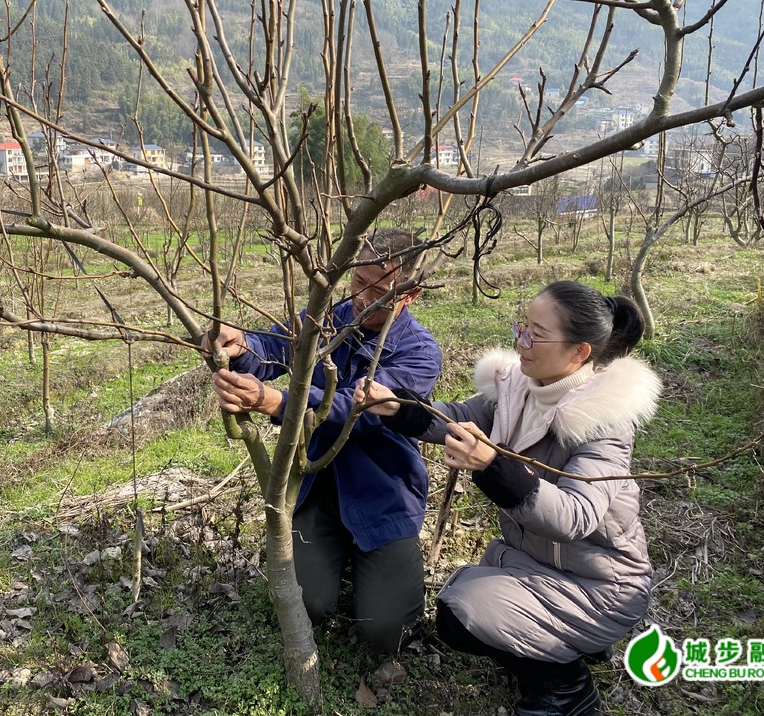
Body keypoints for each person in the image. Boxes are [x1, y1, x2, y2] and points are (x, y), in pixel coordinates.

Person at [354, 280, 661, 715]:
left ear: (579, 353)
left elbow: (576, 516)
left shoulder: (604, 421)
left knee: (461, 616)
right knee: (460, 608)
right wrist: (398, 406)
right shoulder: (520, 387)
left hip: (600, 585)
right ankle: (561, 645)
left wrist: (492, 465)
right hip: (536, 563)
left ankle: (566, 689)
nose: (522, 341)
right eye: (523, 326)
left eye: (537, 334)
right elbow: (457, 418)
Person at [203, 229, 443, 656]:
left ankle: (372, 565)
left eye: (379, 288)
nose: (362, 296)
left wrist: (277, 402)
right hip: (315, 488)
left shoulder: (419, 352)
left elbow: (356, 409)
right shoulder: (325, 318)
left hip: (381, 494)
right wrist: (240, 347)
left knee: (386, 632)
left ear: (411, 292)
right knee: (309, 604)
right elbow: (271, 347)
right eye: (357, 281)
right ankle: (336, 558)